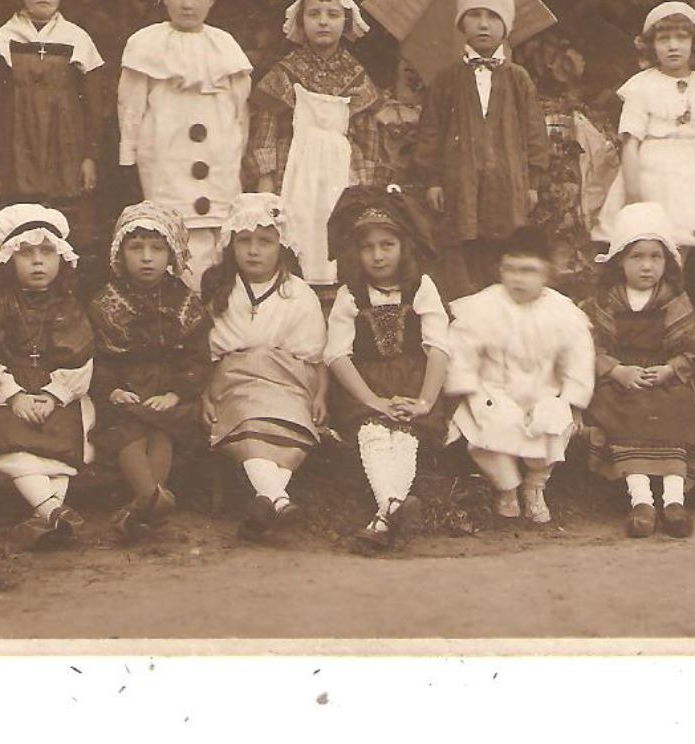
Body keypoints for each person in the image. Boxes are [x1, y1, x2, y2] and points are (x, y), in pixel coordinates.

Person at [118, 0, 252, 282]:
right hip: (166, 161)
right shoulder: (146, 44)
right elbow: (131, 105)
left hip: (219, 163)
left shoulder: (225, 46)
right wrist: (130, 154)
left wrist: (235, 154)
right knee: (173, 237)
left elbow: (239, 110)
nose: (187, 3)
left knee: (215, 241)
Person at [0, 204, 95, 549]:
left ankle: (46, 518)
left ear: (61, 258)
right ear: (8, 259)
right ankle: (54, 510)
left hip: (51, 389)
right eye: (26, 253)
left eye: (46, 252)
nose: (38, 261)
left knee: (62, 433)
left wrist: (55, 395)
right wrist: (12, 394)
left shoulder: (67, 305)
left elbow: (79, 354)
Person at [0, 0, 109, 284]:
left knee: (70, 227)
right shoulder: (2, 42)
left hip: (65, 155)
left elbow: (94, 108)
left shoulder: (77, 42)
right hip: (15, 153)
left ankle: (63, 299)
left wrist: (89, 157)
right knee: (17, 224)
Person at [323, 184, 450, 554]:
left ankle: (384, 516)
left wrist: (426, 401)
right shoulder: (351, 294)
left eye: (386, 245)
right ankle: (394, 506)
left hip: (414, 381)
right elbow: (337, 356)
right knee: (375, 434)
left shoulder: (420, 287)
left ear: (404, 247)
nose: (377, 256)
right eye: (367, 247)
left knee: (405, 437)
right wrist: (373, 400)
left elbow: (438, 347)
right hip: (364, 384)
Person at [413, 0, 550, 300]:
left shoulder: (519, 79)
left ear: (506, 26)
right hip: (460, 181)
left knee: (501, 245)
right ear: (462, 24)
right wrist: (432, 179)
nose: (484, 24)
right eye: (475, 16)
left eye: (493, 16)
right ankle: (464, 310)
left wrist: (533, 182)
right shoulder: (446, 79)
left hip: (508, 182)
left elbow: (534, 132)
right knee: (462, 243)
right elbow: (431, 131)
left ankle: (501, 311)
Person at [444, 225, 594, 525]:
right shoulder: (485, 305)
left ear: (546, 273)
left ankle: (535, 487)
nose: (518, 278)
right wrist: (466, 389)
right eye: (510, 269)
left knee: (553, 419)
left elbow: (578, 359)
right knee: (487, 424)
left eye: (528, 270)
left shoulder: (562, 312)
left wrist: (573, 401)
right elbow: (462, 350)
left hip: (542, 390)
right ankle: (506, 487)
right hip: (494, 390)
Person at [246, 0, 388, 286]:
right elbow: (267, 128)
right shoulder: (286, 71)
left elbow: (367, 139)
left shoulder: (356, 76)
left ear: (346, 21)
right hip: (294, 173)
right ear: (301, 20)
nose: (323, 21)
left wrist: (365, 189)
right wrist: (266, 186)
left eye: (332, 14)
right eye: (314, 13)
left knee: (336, 237)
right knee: (297, 232)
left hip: (342, 175)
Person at [201, 193, 328, 541]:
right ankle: (279, 498)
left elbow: (314, 358)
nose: (253, 251)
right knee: (248, 417)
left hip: (288, 379)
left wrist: (320, 395)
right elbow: (209, 358)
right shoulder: (222, 294)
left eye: (265, 242)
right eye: (244, 241)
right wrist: (206, 394)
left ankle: (268, 497)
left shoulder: (298, 294)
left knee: (289, 420)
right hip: (236, 380)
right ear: (231, 245)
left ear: (281, 246)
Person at [582, 202, 695, 539]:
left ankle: (674, 501)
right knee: (626, 413)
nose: (646, 266)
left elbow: (694, 349)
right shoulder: (608, 300)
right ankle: (641, 502)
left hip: (665, 379)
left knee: (676, 408)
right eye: (637, 257)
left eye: (656, 257)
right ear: (620, 261)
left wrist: (671, 370)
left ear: (666, 262)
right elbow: (590, 348)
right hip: (623, 380)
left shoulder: (673, 299)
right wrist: (616, 371)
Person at [87, 202, 212, 542]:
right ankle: (154, 499)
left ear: (172, 254)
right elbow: (96, 356)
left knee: (164, 428)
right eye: (136, 247)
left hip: (167, 387)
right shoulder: (105, 302)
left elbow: (199, 358)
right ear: (119, 252)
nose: (146, 257)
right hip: (125, 386)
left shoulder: (185, 301)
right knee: (126, 426)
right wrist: (111, 389)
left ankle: (145, 503)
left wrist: (175, 393)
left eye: (157, 248)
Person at [593, 2, 695, 257]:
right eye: (663, 38)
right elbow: (631, 141)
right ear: (651, 45)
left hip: (690, 180)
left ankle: (673, 295)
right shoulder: (642, 86)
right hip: (650, 178)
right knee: (647, 244)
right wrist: (634, 192)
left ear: (694, 42)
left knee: (681, 246)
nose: (673, 46)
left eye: (681, 37)